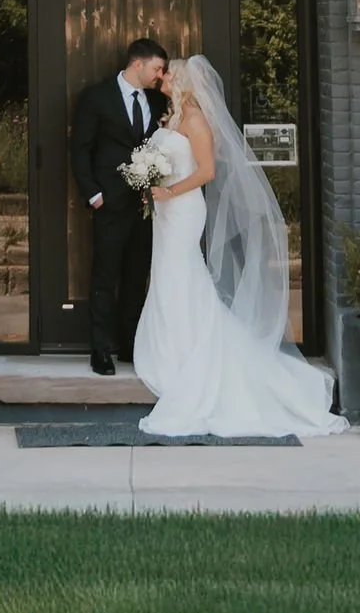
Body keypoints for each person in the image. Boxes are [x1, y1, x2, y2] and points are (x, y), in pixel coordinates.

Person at [129, 54, 341, 441]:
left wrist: (169, 190)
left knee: (182, 274)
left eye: (169, 75)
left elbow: (207, 171)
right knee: (166, 274)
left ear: (185, 84)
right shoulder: (171, 117)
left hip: (183, 209)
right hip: (165, 211)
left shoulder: (195, 121)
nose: (164, 78)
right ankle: (168, 348)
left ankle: (193, 354)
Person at [69, 35, 168, 374]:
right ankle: (100, 350)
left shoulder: (157, 102)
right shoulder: (96, 97)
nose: (160, 75)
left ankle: (129, 344)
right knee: (104, 277)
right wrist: (93, 194)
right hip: (109, 203)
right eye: (157, 68)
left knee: (136, 276)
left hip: (145, 206)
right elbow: (80, 148)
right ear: (137, 64)